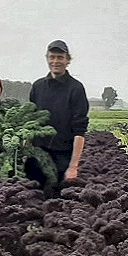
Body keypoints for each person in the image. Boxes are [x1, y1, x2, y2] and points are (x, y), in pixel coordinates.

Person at [29, 40, 89, 185]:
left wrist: (73, 166)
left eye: (60, 57)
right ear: (47, 58)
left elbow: (79, 130)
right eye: (52, 57)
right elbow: (30, 121)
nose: (55, 61)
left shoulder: (76, 89)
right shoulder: (37, 87)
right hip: (38, 157)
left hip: (63, 157)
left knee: (57, 200)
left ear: (67, 60)